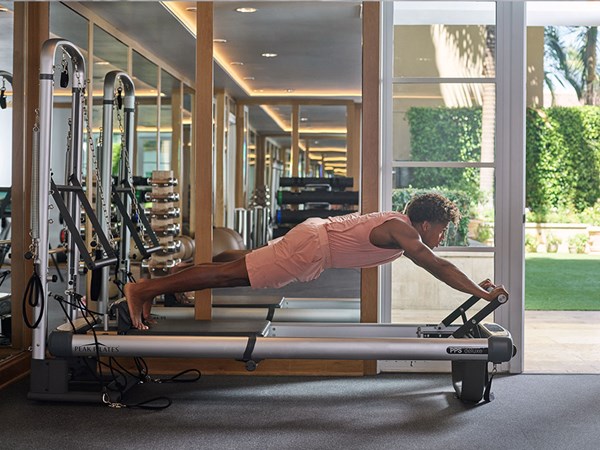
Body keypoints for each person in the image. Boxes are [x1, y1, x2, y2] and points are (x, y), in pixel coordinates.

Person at [125, 192, 508, 330]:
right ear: (426, 222)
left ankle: (164, 281)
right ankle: (143, 289)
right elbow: (436, 266)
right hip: (311, 247)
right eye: (442, 230)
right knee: (228, 277)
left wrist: (478, 290)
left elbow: (436, 262)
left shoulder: (399, 224)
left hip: (312, 242)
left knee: (233, 267)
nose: (442, 238)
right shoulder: (404, 232)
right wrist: (481, 292)